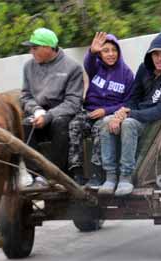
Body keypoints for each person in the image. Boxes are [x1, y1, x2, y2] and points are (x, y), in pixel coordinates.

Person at [98, 32, 161, 196]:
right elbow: (133, 98)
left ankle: (125, 176)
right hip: (137, 115)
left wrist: (129, 115)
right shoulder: (144, 69)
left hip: (154, 123)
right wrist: (122, 113)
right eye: (156, 54)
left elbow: (160, 111)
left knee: (128, 124)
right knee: (106, 121)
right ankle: (110, 176)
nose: (160, 58)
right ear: (150, 55)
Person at [68, 32, 134, 188]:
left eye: (114, 50)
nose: (110, 54)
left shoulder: (127, 74)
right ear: (101, 53)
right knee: (74, 125)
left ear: (119, 52)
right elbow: (87, 63)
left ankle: (97, 173)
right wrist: (92, 52)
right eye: (106, 51)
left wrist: (106, 111)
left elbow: (129, 102)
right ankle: (76, 171)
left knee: (99, 129)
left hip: (109, 115)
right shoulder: (96, 67)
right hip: (89, 111)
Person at [20, 27, 84, 186]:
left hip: (63, 113)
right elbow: (25, 96)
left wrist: (48, 116)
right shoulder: (28, 67)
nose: (31, 52)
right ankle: (37, 176)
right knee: (22, 125)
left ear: (48, 48)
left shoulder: (72, 67)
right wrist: (36, 110)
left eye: (34, 48)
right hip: (38, 112)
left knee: (59, 123)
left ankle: (58, 175)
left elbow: (73, 103)